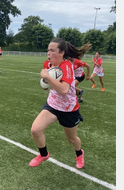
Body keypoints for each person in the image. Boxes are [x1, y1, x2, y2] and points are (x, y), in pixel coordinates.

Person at [29, 38, 91, 169]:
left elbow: (64, 90)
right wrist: (45, 82)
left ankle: (79, 153)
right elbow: (48, 85)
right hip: (52, 105)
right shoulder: (48, 64)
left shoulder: (66, 66)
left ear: (62, 52)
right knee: (35, 129)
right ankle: (43, 154)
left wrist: (47, 77)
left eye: (52, 50)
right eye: (48, 50)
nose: (49, 53)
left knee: (72, 139)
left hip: (69, 109)